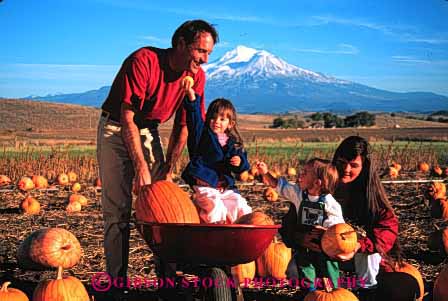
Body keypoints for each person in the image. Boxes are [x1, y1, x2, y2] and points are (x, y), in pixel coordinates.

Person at [96, 19, 218, 280]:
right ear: (181, 44)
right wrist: (141, 167)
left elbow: (184, 126)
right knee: (118, 212)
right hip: (117, 128)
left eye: (209, 53)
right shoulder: (144, 61)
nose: (205, 59)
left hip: (148, 130)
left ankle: (167, 280)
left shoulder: (197, 77)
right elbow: (126, 117)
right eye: (200, 51)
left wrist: (167, 169)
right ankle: (117, 283)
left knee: (165, 207)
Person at [256, 158, 344, 290]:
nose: (300, 175)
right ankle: (310, 294)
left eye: (305, 173)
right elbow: (280, 186)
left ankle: (335, 293)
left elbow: (338, 225)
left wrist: (326, 230)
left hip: (325, 247)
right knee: (305, 270)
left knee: (329, 271)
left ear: (317, 182)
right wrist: (265, 173)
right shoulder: (298, 194)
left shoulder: (329, 202)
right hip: (305, 244)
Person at [181, 82, 252, 224]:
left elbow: (244, 165)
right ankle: (213, 231)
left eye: (222, 118)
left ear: (230, 124)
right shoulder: (202, 135)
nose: (216, 121)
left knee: (239, 204)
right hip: (205, 185)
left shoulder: (234, 143)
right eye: (212, 117)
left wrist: (240, 162)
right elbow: (194, 119)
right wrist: (192, 98)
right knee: (215, 207)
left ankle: (242, 230)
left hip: (225, 187)